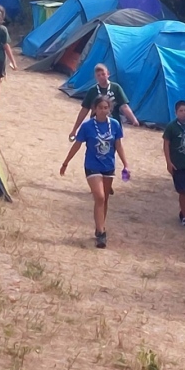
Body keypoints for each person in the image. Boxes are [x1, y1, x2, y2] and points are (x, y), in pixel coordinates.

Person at [60, 95, 130, 249]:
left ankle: (100, 227)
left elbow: (118, 146)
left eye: (106, 108)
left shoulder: (115, 125)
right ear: (95, 109)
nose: (103, 111)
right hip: (92, 165)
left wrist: (126, 164)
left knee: (104, 200)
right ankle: (101, 232)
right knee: (99, 197)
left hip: (108, 166)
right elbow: (77, 145)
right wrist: (66, 162)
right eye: (100, 108)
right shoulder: (87, 126)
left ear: (110, 109)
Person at [68, 64, 139, 140]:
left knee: (114, 147)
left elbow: (124, 106)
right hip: (96, 125)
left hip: (112, 124)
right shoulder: (92, 91)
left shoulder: (116, 88)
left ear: (108, 74)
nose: (101, 77)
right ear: (95, 77)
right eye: (98, 75)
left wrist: (133, 119)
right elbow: (84, 110)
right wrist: (75, 129)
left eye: (103, 74)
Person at [163, 100, 185, 228]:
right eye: (181, 111)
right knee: (183, 191)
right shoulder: (172, 127)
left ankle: (183, 209)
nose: (184, 113)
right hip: (178, 165)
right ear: (176, 113)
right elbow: (166, 144)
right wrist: (168, 162)